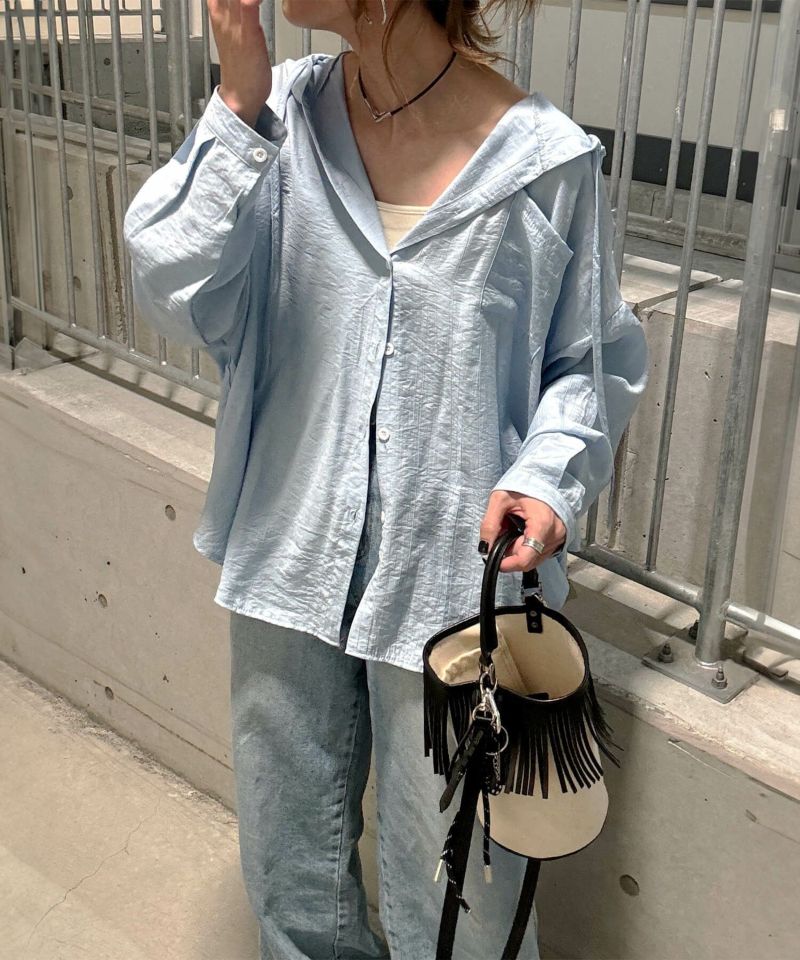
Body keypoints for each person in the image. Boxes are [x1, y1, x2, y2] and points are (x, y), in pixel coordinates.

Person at [123, 1, 649, 957]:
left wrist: (549, 476)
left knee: (459, 897)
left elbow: (588, 362)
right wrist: (234, 107)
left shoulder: (545, 163)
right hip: (289, 543)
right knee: (290, 862)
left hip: (452, 580)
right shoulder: (276, 118)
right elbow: (171, 285)